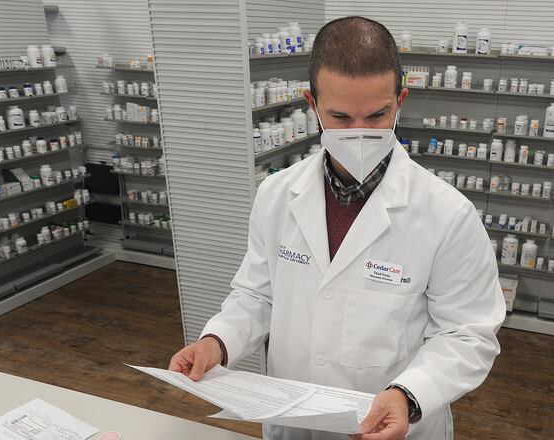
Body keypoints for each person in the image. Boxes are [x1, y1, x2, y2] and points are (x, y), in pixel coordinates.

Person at [169, 16, 506, 440]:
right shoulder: (276, 194)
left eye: (377, 115)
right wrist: (217, 342)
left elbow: (468, 334)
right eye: (341, 116)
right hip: (293, 422)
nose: (359, 132)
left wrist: (408, 394)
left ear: (400, 100)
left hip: (389, 427)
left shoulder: (447, 214)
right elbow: (257, 295)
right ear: (312, 104)